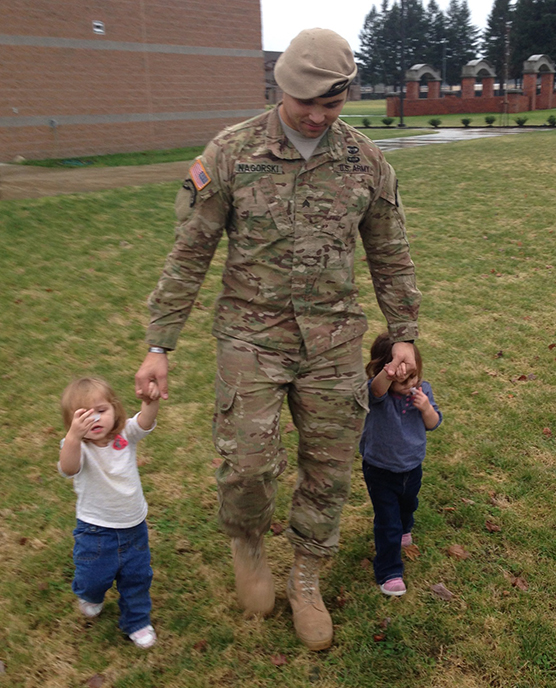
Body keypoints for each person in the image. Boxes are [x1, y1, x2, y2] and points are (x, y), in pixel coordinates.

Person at [134, 28, 421, 651]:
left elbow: (391, 254)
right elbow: (190, 252)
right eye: (304, 104)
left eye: (333, 104)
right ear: (279, 89)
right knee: (249, 465)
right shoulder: (232, 152)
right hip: (250, 336)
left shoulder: (365, 161)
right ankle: (248, 541)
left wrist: (403, 335)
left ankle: (308, 577)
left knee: (330, 467)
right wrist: (160, 343)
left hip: (334, 343)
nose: (317, 117)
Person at [59, 376, 161, 649]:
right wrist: (72, 437)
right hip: (96, 531)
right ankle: (90, 595)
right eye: (84, 416)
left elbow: (145, 422)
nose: (94, 419)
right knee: (93, 577)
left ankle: (137, 622)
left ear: (114, 409)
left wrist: (150, 402)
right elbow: (68, 468)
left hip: (134, 528)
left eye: (101, 411)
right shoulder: (77, 447)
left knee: (137, 579)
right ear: (71, 422)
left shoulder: (125, 434)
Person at [359, 334, 441, 597]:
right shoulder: (378, 393)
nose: (410, 385)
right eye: (402, 380)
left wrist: (426, 408)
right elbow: (377, 388)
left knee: (408, 504)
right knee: (387, 522)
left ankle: (406, 527)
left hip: (412, 465)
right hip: (380, 469)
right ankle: (390, 571)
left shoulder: (423, 390)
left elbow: (433, 423)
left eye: (414, 376)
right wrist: (390, 371)